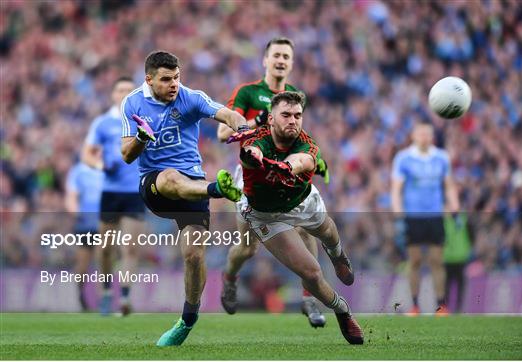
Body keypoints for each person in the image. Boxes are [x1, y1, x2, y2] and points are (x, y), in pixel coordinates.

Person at [120, 50, 250, 346]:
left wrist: (243, 129)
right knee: (169, 177)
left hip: (193, 185)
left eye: (177, 77)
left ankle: (188, 319)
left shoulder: (190, 97)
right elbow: (127, 155)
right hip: (156, 187)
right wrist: (142, 137)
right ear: (149, 79)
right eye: (166, 79)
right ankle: (217, 190)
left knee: (193, 256)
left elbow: (227, 114)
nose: (174, 84)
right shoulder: (132, 103)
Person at [233, 91, 363, 344]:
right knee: (312, 274)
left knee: (327, 232)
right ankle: (342, 310)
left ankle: (337, 256)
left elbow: (302, 160)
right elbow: (251, 154)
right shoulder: (256, 140)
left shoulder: (308, 144)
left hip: (301, 201)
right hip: (266, 215)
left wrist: (286, 167)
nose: (293, 120)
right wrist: (256, 158)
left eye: (297, 115)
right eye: (286, 115)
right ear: (270, 119)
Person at [217, 37, 329, 328]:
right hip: (253, 177)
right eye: (276, 55)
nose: (281, 60)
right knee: (248, 248)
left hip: (285, 173)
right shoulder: (249, 92)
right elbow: (221, 133)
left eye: (286, 56)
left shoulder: (294, 95)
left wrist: (316, 161)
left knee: (306, 227)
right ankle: (229, 277)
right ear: (265, 60)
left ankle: (310, 297)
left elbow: (299, 138)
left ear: (291, 64)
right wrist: (258, 121)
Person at [82, 76, 145, 316]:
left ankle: (126, 297)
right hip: (110, 192)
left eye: (129, 90)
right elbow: (87, 154)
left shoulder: (142, 121)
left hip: (134, 192)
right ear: (113, 94)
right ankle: (107, 292)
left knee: (129, 247)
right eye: (120, 90)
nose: (125, 94)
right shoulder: (102, 123)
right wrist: (100, 166)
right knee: (106, 248)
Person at [391, 122, 459, 316]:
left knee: (437, 260)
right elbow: (396, 188)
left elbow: (449, 185)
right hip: (413, 216)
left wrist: (454, 205)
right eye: (420, 133)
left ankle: (441, 305)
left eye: (427, 134)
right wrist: (398, 213)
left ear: (432, 137)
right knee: (415, 261)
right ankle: (414, 305)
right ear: (413, 136)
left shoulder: (441, 158)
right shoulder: (403, 158)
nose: (424, 137)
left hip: (435, 215)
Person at [64, 159, 104, 311]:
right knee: (82, 265)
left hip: (104, 222)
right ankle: (80, 295)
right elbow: (71, 196)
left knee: (103, 260)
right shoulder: (78, 171)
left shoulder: (107, 168)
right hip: (85, 224)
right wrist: (76, 213)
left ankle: (103, 300)